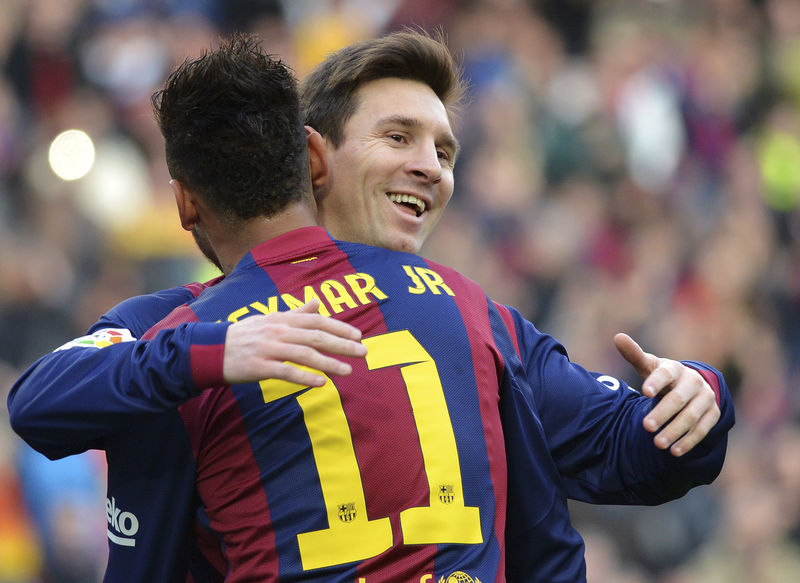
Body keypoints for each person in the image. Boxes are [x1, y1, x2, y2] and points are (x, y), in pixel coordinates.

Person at [7, 31, 734, 583]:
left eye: (446, 152)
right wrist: (207, 352)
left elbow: (633, 448)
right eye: (399, 137)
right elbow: (39, 400)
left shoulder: (472, 316)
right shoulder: (176, 326)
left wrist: (699, 394)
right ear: (314, 157)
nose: (431, 166)